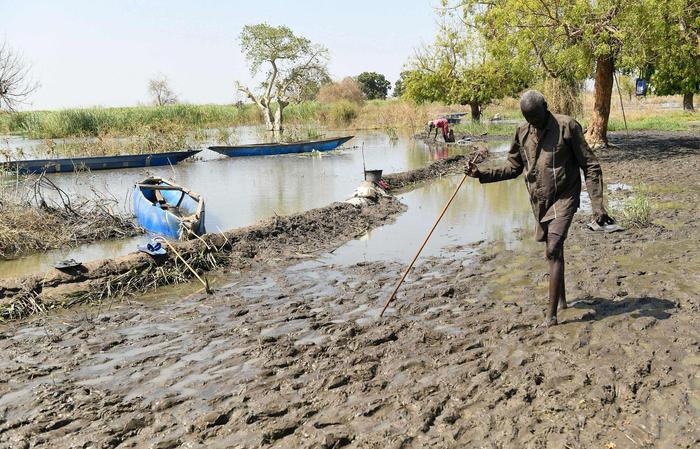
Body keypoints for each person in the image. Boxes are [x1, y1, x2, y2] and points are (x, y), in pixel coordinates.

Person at [465, 90, 614, 326]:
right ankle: (562, 301)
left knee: (553, 248)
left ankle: (551, 315)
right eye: (529, 120)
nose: (534, 124)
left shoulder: (567, 127)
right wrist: (481, 174)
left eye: (537, 118)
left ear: (546, 106)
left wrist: (597, 206)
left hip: (565, 196)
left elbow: (591, 166)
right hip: (540, 201)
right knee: (554, 249)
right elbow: (512, 167)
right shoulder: (522, 133)